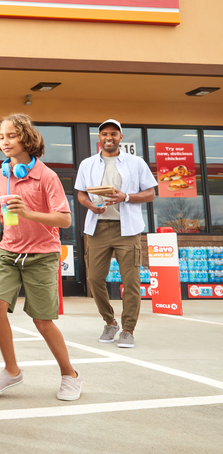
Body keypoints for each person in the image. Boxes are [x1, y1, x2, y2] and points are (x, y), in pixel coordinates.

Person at [0, 113, 82, 401]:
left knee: (42, 320)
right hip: (8, 252)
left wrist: (28, 213)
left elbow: (64, 219)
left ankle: (70, 375)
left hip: (42, 255)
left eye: (11, 135)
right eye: (1, 136)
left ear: (26, 138)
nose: (4, 141)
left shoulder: (46, 176)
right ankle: (11, 370)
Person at [75, 119, 157, 348]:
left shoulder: (136, 163)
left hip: (127, 229)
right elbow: (81, 194)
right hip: (98, 228)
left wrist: (126, 197)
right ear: (99, 138)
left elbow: (150, 193)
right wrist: (91, 206)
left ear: (120, 137)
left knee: (131, 281)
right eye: (104, 134)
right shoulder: (87, 164)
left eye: (113, 133)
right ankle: (110, 322)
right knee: (94, 279)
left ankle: (128, 329)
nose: (108, 137)